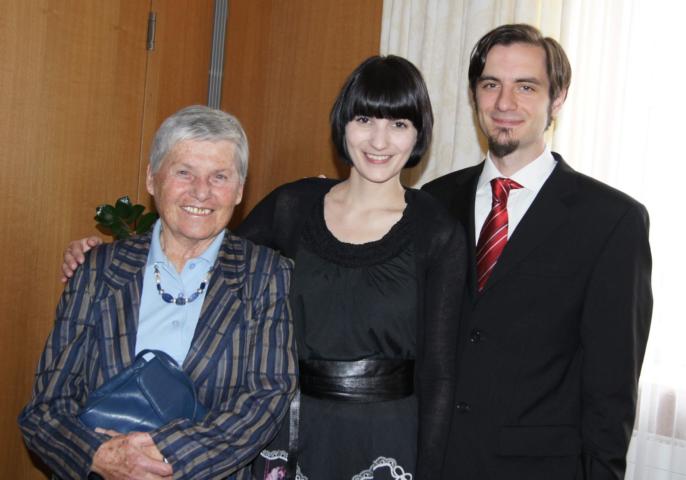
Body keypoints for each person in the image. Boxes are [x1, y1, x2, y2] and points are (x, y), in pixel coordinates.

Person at [59, 55, 467, 479]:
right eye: (364, 119)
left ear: (418, 133)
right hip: (285, 430)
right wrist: (111, 256)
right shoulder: (293, 206)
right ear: (343, 123)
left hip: (384, 436)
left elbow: (440, 375)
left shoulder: (437, 231)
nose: (379, 141)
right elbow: (200, 252)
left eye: (398, 124)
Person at [421, 24, 652, 479]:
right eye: (491, 85)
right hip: (433, 461)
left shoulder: (612, 221)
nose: (504, 104)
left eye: (525, 87)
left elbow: (612, 390)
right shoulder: (434, 202)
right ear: (474, 95)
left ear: (558, 98)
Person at [19, 106, 297, 480]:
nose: (202, 191)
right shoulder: (98, 270)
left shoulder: (265, 275)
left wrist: (164, 457)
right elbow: (45, 407)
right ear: (152, 179)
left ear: (239, 191)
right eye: (184, 172)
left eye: (219, 176)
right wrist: (100, 456)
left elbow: (267, 397)